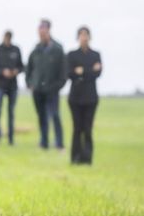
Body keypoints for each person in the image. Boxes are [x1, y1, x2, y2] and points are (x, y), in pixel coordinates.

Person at [26, 19, 66, 150]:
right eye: (39, 29)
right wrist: (30, 83)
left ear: (48, 30)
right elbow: (29, 68)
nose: (41, 32)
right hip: (38, 89)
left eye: (43, 29)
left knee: (54, 115)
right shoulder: (36, 49)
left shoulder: (57, 49)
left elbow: (63, 71)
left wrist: (57, 86)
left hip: (52, 90)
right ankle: (44, 142)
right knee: (41, 117)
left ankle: (59, 143)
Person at [67, 26, 102, 165]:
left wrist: (81, 71)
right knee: (77, 128)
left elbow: (98, 73)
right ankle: (75, 157)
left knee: (88, 129)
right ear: (78, 37)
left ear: (89, 37)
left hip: (91, 98)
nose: (84, 38)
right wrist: (90, 70)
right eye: (81, 35)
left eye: (86, 35)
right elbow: (69, 73)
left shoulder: (95, 55)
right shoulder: (71, 55)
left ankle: (87, 158)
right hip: (75, 98)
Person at [0, 31, 23, 145]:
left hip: (12, 85)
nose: (7, 40)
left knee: (11, 113)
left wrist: (16, 71)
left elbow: (21, 66)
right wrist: (3, 72)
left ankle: (11, 139)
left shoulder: (16, 50)